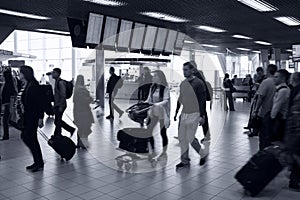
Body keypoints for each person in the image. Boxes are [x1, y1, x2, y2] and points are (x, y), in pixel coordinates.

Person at [176, 61, 206, 169]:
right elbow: (180, 98)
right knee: (182, 138)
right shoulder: (183, 83)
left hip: (194, 113)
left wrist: (202, 116)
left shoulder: (199, 83)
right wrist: (176, 112)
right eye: (183, 70)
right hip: (184, 113)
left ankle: (202, 153)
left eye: (186, 70)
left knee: (190, 138)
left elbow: (202, 100)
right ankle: (185, 161)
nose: (184, 72)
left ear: (192, 70)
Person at [19, 65, 44, 172]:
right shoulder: (29, 84)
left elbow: (39, 103)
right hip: (29, 116)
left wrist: (40, 118)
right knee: (31, 138)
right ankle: (38, 162)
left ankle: (38, 162)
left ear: (25, 74)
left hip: (33, 117)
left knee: (28, 137)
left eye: (20, 73)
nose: (19, 75)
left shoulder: (34, 86)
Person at [252, 64, 277, 150]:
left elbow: (261, 98)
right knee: (271, 136)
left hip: (264, 113)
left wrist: (255, 111)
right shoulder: (278, 82)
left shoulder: (266, 82)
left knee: (263, 136)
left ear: (268, 71)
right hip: (275, 114)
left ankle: (263, 153)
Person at [145, 70, 170, 156]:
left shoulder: (165, 88)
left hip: (162, 113)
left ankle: (164, 150)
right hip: (154, 113)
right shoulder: (152, 87)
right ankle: (152, 149)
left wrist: (157, 104)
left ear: (159, 77)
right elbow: (149, 99)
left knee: (162, 132)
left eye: (155, 76)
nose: (153, 77)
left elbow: (166, 100)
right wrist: (144, 103)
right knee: (149, 131)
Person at [284, 72, 300, 191]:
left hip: (292, 128)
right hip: (296, 129)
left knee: (296, 154)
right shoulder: (297, 92)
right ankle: (294, 180)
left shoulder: (293, 90)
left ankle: (294, 179)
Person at [51, 68, 75, 136]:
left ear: (58, 74)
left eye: (54, 73)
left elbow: (63, 95)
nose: (52, 74)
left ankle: (69, 130)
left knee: (57, 121)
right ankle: (57, 134)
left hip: (61, 104)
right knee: (57, 121)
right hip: (57, 104)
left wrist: (61, 106)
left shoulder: (61, 83)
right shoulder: (57, 82)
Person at [73, 75, 94, 149]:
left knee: (80, 127)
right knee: (85, 127)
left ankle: (79, 143)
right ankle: (83, 143)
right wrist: (90, 99)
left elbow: (75, 101)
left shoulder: (76, 90)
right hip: (84, 111)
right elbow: (84, 100)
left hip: (77, 111)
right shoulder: (82, 90)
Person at [269, 69, 290, 142]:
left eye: (276, 77)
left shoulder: (283, 91)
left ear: (283, 78)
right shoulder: (282, 89)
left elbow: (276, 107)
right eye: (274, 77)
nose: (274, 79)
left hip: (281, 120)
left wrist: (271, 119)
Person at [1, 67, 17, 140]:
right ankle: (5, 135)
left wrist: (8, 106)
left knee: (6, 120)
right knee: (7, 120)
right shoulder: (9, 84)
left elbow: (9, 96)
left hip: (7, 105)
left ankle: (6, 135)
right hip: (8, 104)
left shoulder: (7, 85)